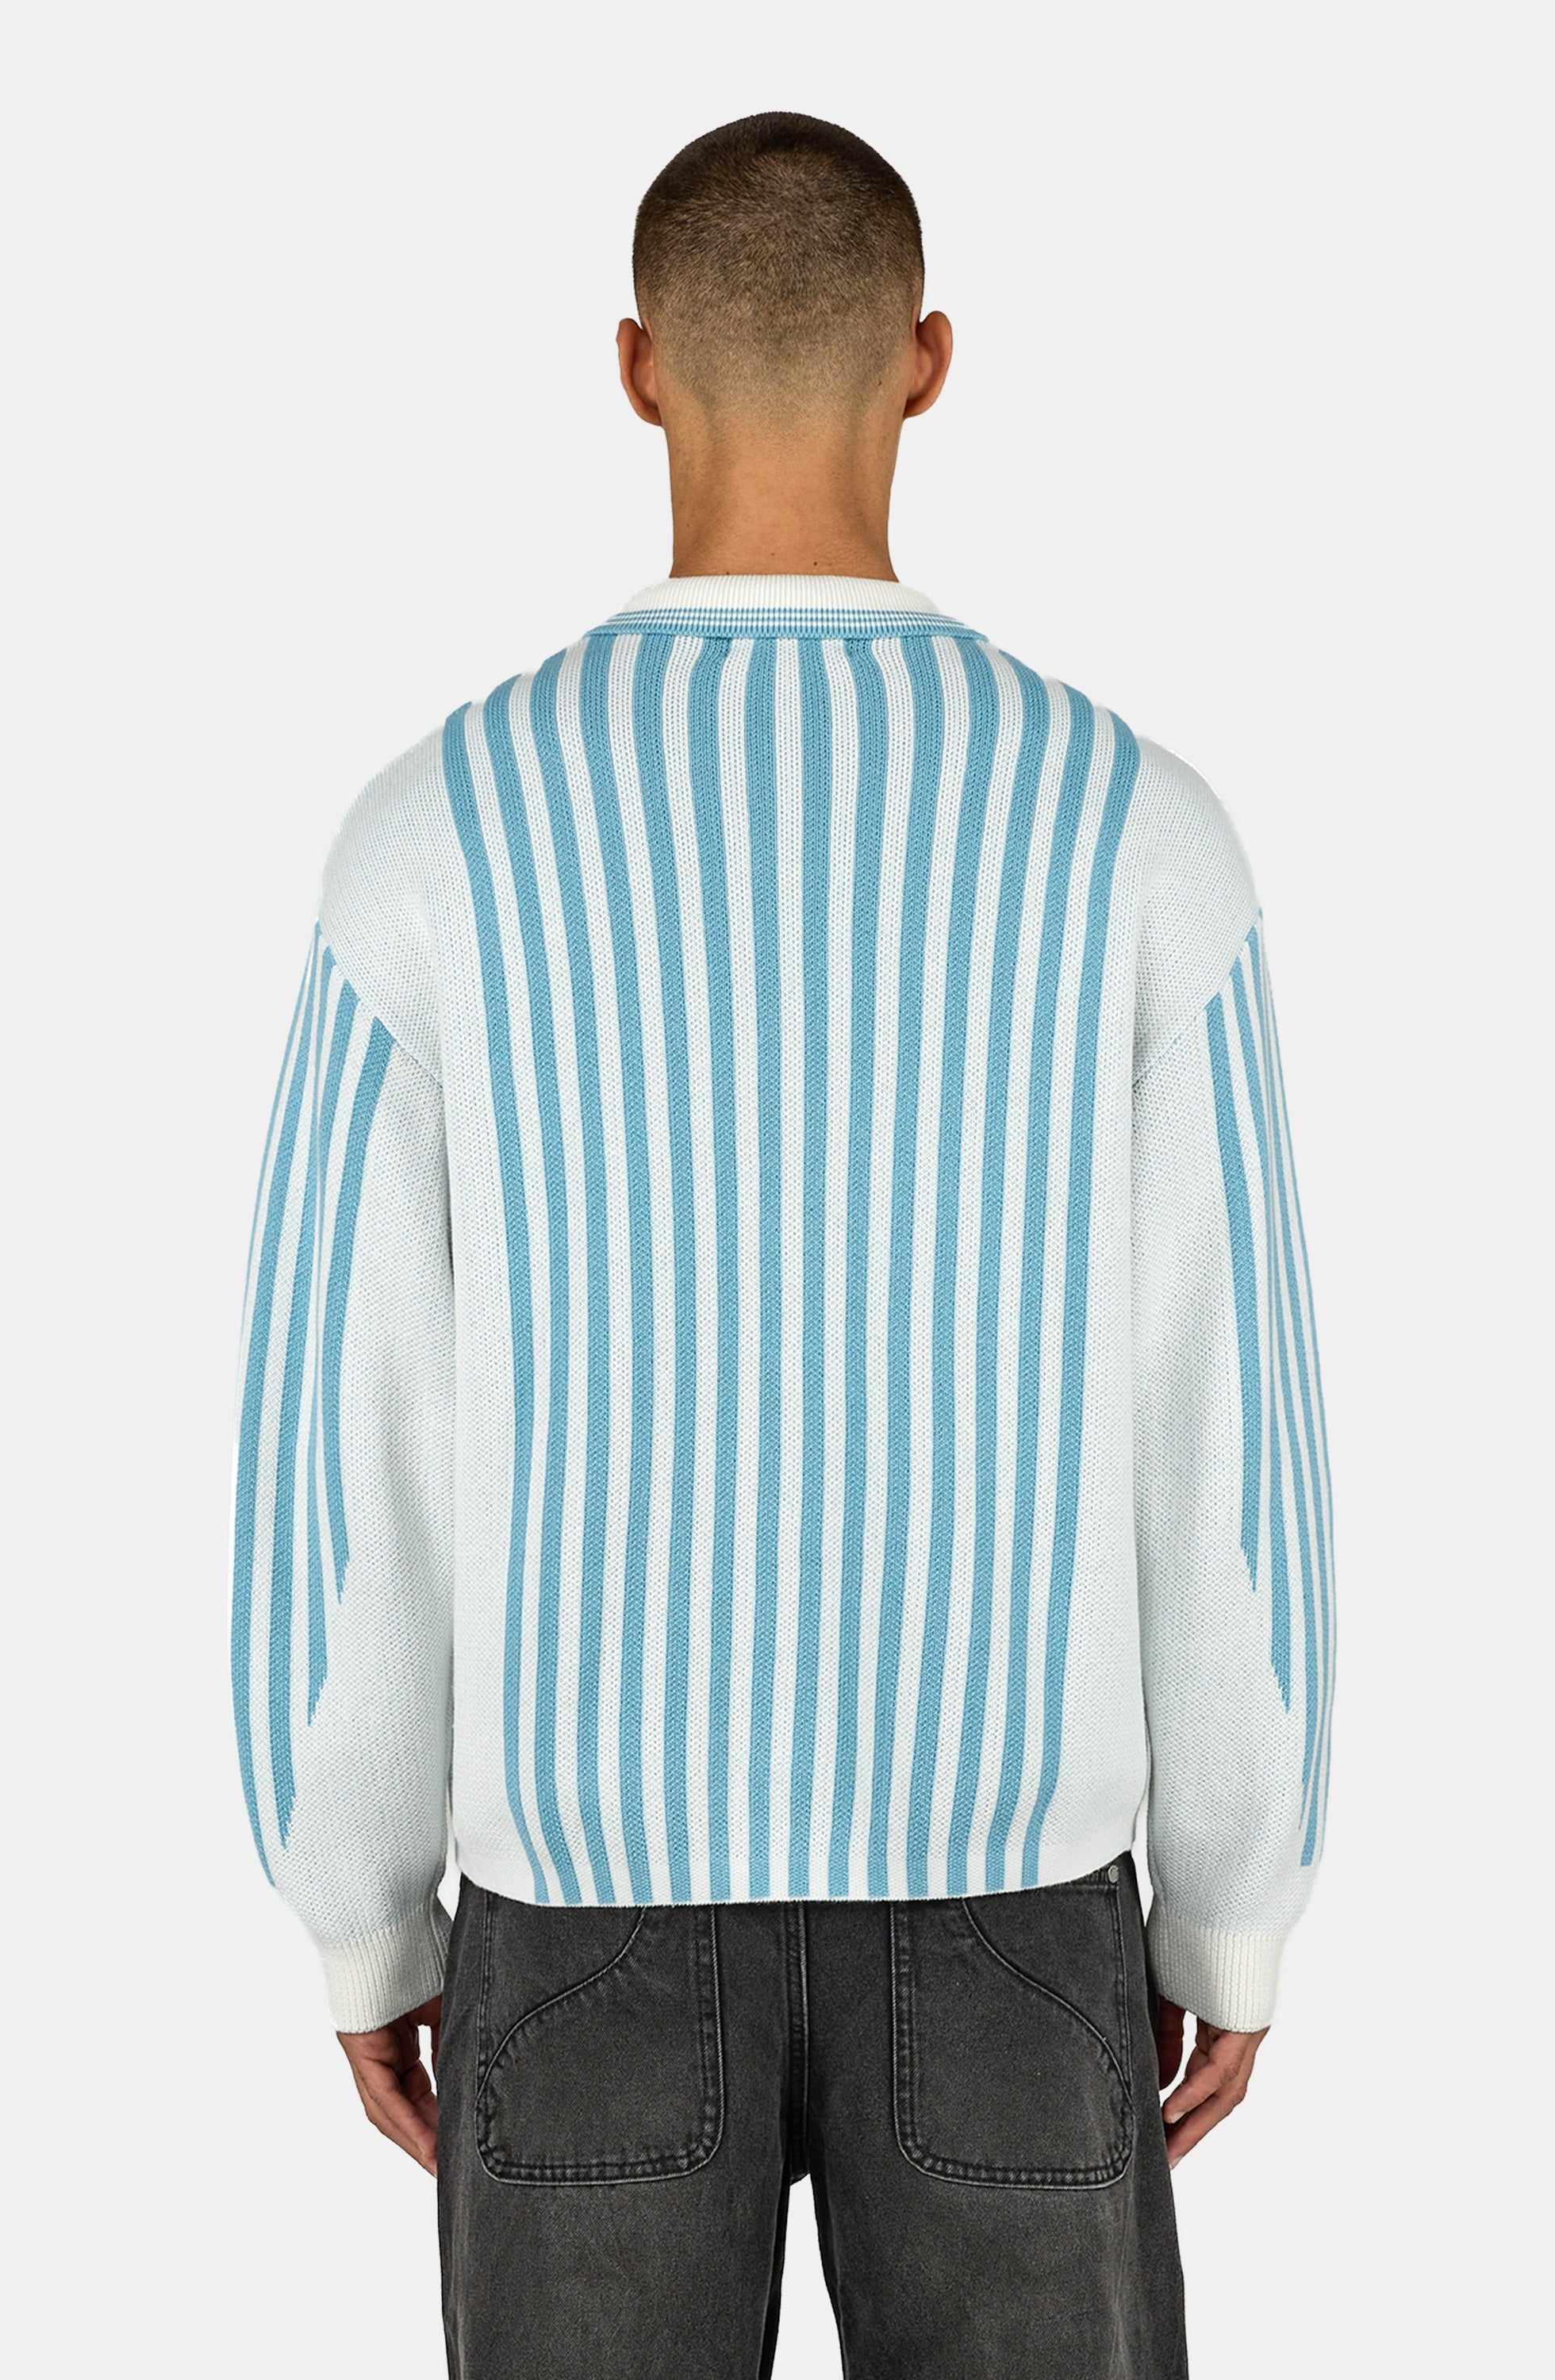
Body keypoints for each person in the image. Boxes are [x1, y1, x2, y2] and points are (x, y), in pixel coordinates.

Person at [231, 110, 1334, 2380]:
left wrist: (357, 1916)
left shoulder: (434, 837)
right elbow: (1230, 1429)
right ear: (928, 361)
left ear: (637, 367)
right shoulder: (1139, 833)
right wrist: (1238, 1909)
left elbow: (338, 1434)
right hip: (1016, 1912)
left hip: (583, 1919)